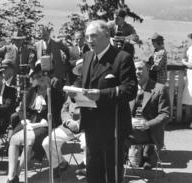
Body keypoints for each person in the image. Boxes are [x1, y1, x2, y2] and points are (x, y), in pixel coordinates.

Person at [77, 20, 137, 183]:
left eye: (94, 36)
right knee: (93, 171)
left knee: (112, 173)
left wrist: (101, 94)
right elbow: (82, 81)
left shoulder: (122, 58)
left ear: (107, 36)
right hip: (91, 124)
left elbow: (130, 90)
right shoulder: (88, 56)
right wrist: (73, 91)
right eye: (87, 36)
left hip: (113, 127)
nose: (89, 40)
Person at [6, 61, 64, 183]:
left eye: (42, 76)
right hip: (28, 123)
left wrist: (48, 90)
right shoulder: (31, 91)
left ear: (49, 77)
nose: (40, 79)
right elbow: (22, 110)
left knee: (29, 140)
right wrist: (25, 120)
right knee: (13, 140)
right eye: (37, 77)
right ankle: (11, 176)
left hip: (46, 125)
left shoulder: (55, 93)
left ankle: (17, 173)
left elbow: (56, 112)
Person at [42, 59, 85, 178]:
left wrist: (79, 123)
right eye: (80, 70)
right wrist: (68, 121)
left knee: (89, 144)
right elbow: (64, 109)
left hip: (87, 127)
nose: (82, 72)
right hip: (69, 126)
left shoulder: (94, 88)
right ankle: (59, 164)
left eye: (84, 69)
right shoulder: (72, 88)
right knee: (47, 142)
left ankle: (86, 165)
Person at [128, 60, 170, 169]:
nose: (137, 72)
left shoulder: (160, 88)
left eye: (140, 69)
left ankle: (147, 152)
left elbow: (165, 115)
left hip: (150, 130)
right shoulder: (129, 88)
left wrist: (147, 124)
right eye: (135, 69)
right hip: (130, 127)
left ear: (148, 71)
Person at [182, 33, 192, 127]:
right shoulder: (188, 49)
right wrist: (186, 63)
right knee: (189, 95)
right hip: (190, 74)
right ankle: (187, 120)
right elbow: (183, 59)